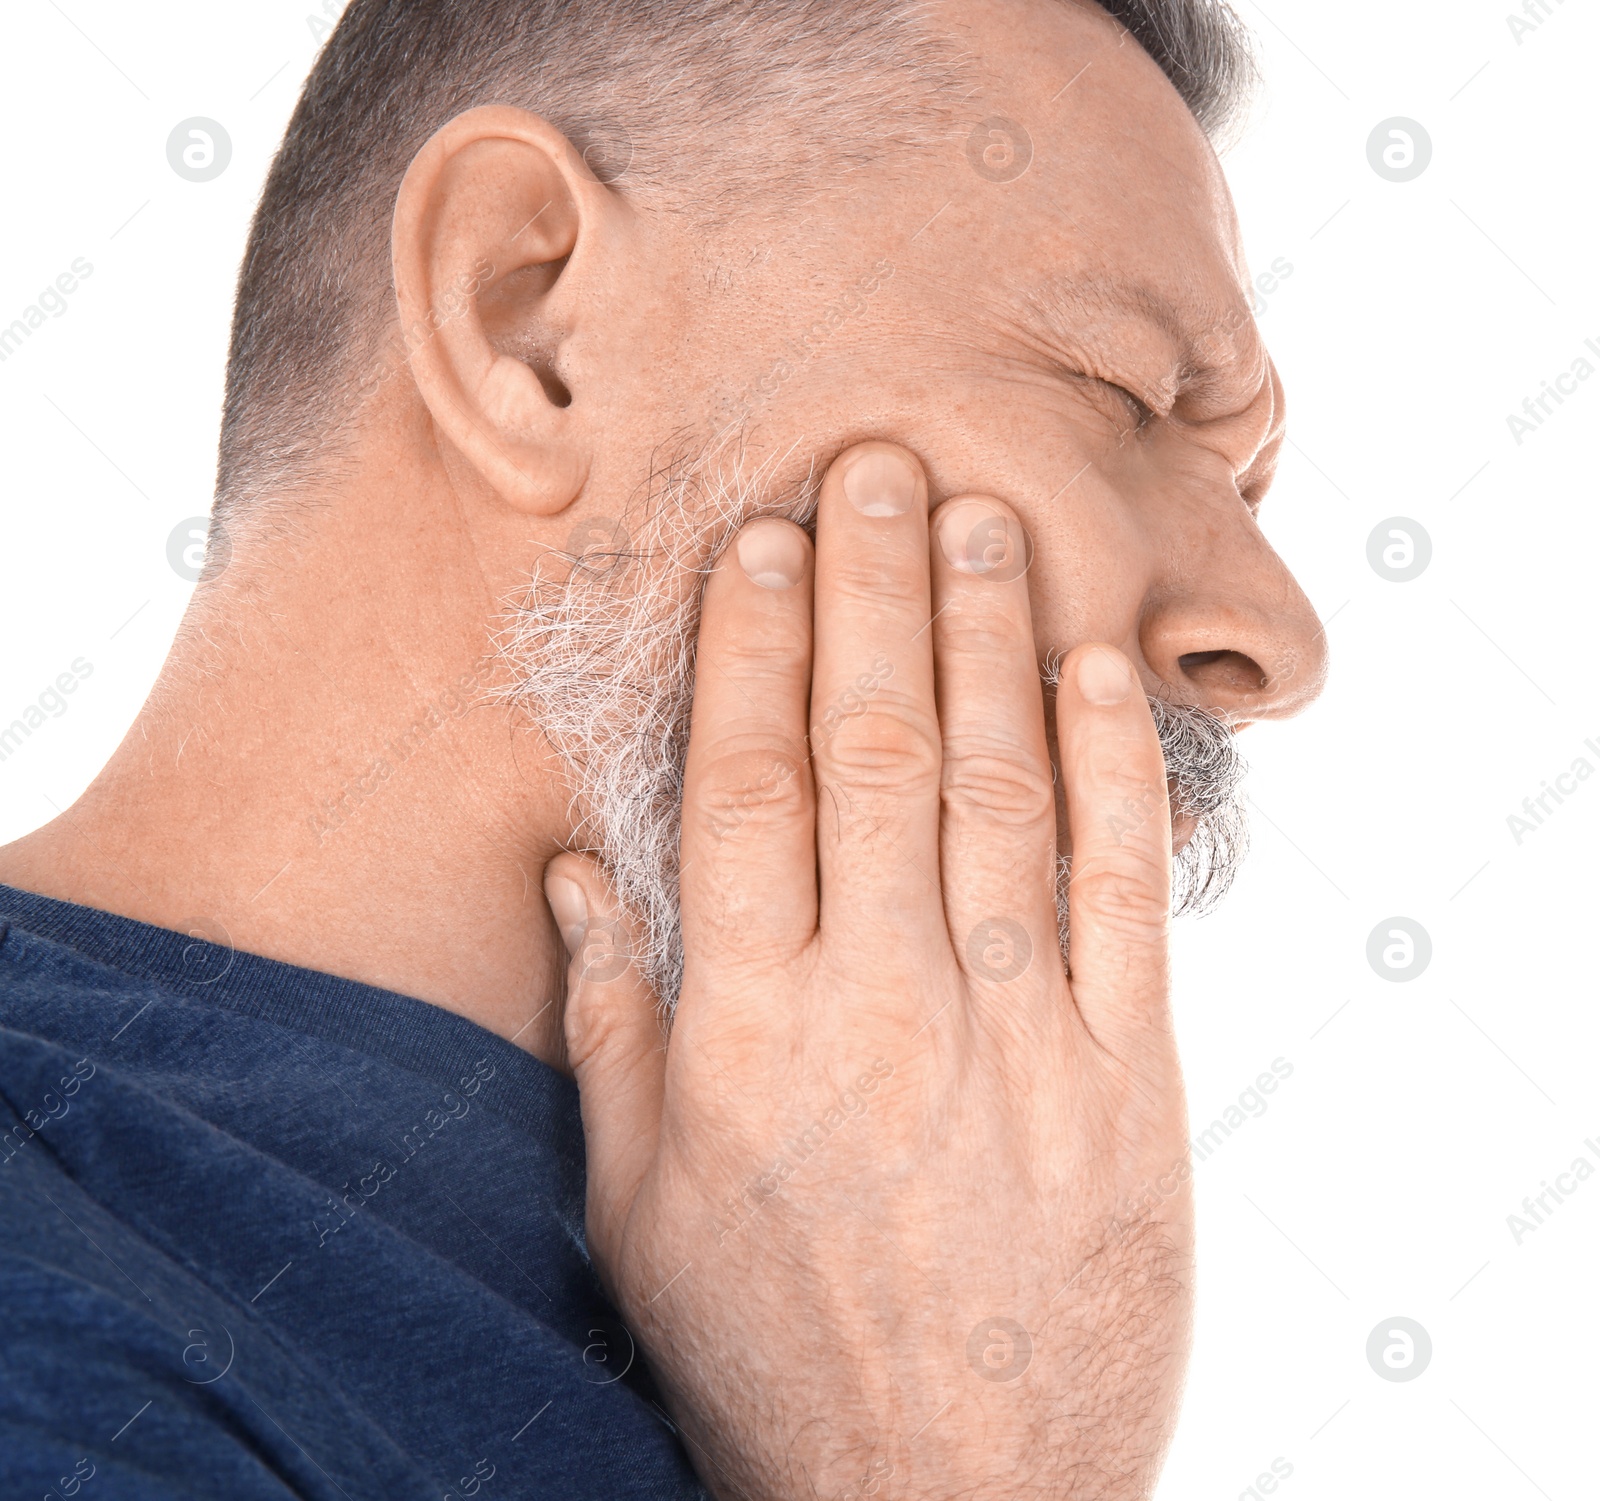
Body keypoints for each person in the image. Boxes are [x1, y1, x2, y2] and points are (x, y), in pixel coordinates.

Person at [0, 0, 1328, 1495]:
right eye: (1127, 396)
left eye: (1251, 490)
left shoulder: (861, 1290)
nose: (1278, 639)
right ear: (526, 320)